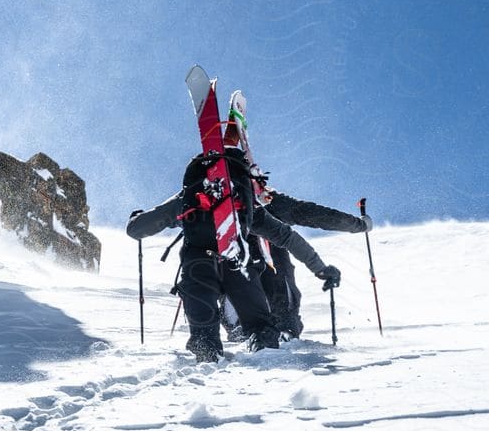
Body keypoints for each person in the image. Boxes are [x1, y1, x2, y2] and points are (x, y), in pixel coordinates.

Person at [128, 148, 341, 362]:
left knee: (204, 340)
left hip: (197, 266)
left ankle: (206, 369)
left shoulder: (188, 199)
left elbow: (135, 230)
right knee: (262, 330)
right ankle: (268, 373)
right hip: (238, 265)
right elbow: (288, 237)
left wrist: (136, 218)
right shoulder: (244, 205)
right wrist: (320, 268)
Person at [253, 175, 369, 337]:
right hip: (278, 297)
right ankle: (284, 329)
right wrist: (359, 225)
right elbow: (316, 215)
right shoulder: (266, 199)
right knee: (285, 318)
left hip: (235, 300)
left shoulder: (213, 200)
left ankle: (251, 331)